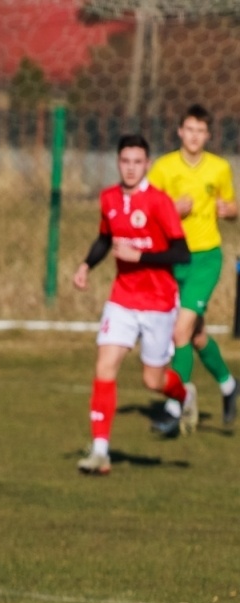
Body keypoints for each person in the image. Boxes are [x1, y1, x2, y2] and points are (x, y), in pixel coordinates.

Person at [74, 134, 192, 475]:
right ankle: (100, 452)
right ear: (118, 162)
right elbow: (105, 238)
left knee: (153, 381)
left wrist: (140, 256)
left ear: (147, 164)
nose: (130, 168)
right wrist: (86, 265)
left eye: (137, 162)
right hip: (122, 299)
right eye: (125, 161)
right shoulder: (109, 198)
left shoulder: (159, 202)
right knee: (104, 366)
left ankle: (184, 395)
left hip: (158, 301)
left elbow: (181, 253)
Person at [148, 103, 239, 430]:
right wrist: (171, 210)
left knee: (180, 331)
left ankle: (176, 405)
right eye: (190, 129)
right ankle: (229, 385)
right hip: (173, 259)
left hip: (205, 259)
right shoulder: (163, 168)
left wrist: (230, 211)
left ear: (208, 135)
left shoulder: (219, 168)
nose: (195, 136)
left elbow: (232, 206)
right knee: (196, 335)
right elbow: (148, 212)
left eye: (201, 131)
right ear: (179, 131)